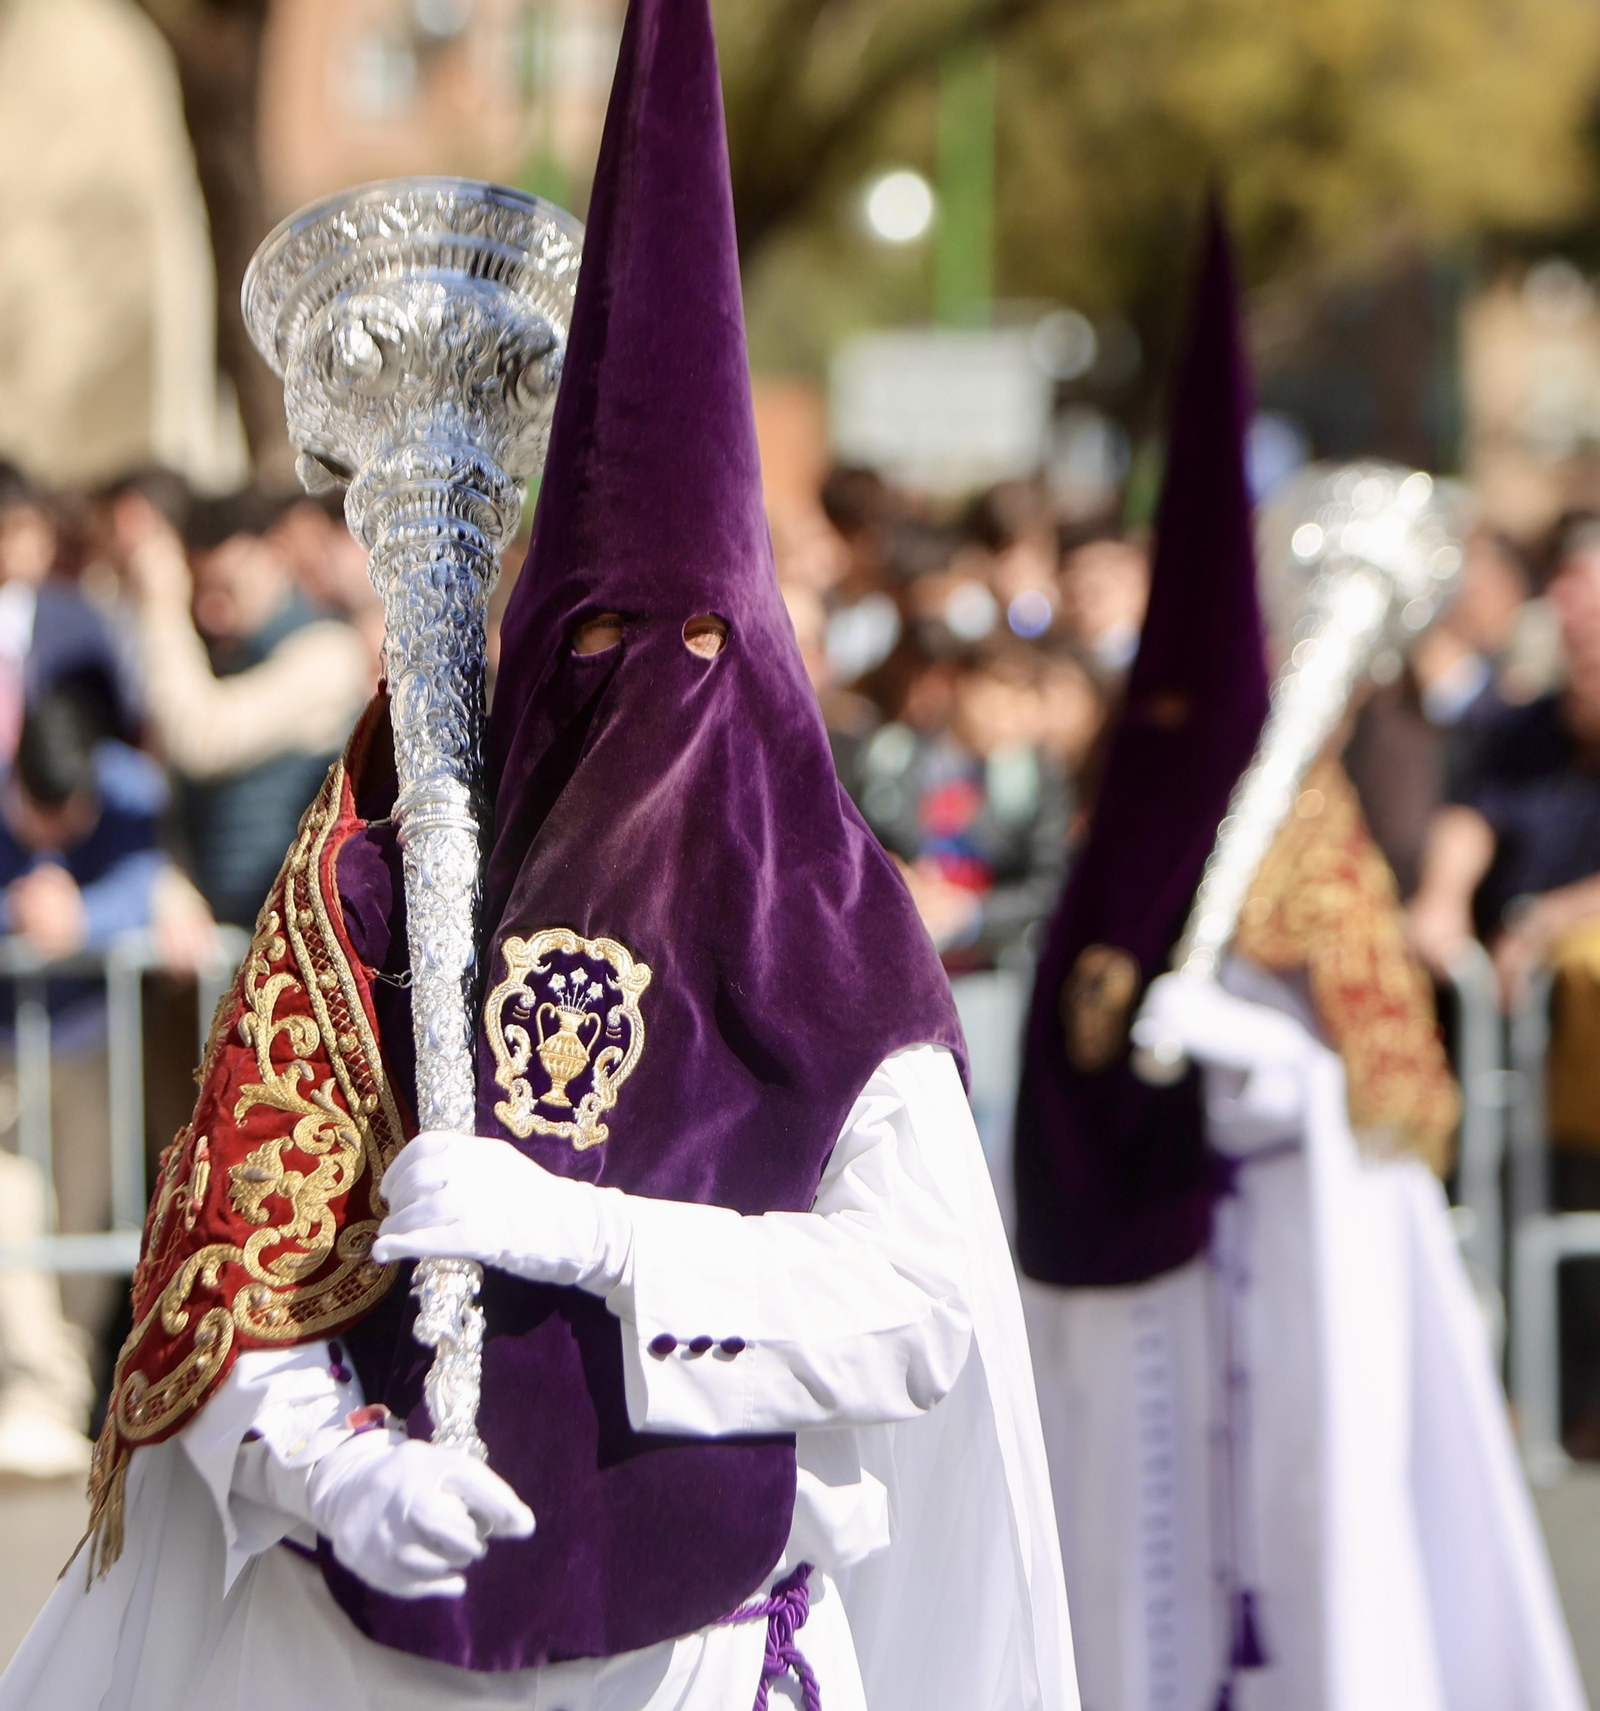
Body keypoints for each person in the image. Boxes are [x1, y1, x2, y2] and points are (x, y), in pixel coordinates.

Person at [0, 3, 1077, 1707]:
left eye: (691, 654)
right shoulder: (384, 872)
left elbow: (920, 1307)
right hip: (363, 1643)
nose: (639, 696)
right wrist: (328, 1465)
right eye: (590, 652)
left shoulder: (830, 933)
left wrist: (602, 1239)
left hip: (701, 1656)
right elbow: (232, 1279)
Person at [1014, 205, 1584, 1711]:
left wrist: (1256, 1058)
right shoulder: (1128, 831)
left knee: (1312, 1552)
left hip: (1304, 1257)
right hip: (1144, 1275)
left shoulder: (1318, 831)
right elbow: (1070, 1060)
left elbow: (1380, 1075)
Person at [0, 688, 170, 1477]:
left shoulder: (127, 788)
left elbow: (155, 892)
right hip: (12, 1049)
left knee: (85, 1214)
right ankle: (35, 1395)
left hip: (92, 1044)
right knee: (13, 1204)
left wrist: (85, 919)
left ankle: (61, 1400)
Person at [112, 486, 371, 928]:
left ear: (275, 555)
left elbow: (205, 738)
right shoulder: (211, 659)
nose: (213, 614)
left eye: (229, 589)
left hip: (298, 941)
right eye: (201, 594)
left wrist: (161, 603)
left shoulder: (331, 653)